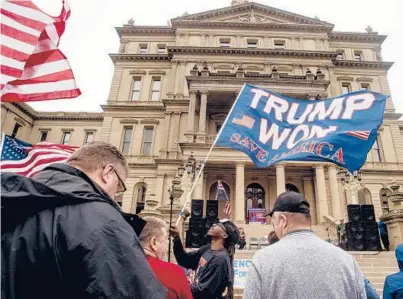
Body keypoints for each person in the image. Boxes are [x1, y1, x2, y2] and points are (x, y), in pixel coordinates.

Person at [1, 142, 167, 299]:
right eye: (119, 187)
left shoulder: (11, 201)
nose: (116, 195)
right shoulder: (101, 220)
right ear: (108, 173)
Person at [243, 191, 366, 299]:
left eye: (274, 222)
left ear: (283, 220)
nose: (274, 228)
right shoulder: (347, 261)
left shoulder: (262, 260)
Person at [170, 219, 240, 299]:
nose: (214, 225)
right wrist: (176, 238)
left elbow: (204, 291)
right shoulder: (207, 249)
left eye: (218, 225)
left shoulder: (221, 259)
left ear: (224, 235)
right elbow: (185, 260)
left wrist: (178, 286)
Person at [139, 216, 193, 299]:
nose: (167, 244)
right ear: (154, 242)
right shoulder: (173, 273)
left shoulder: (118, 268)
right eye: (166, 238)